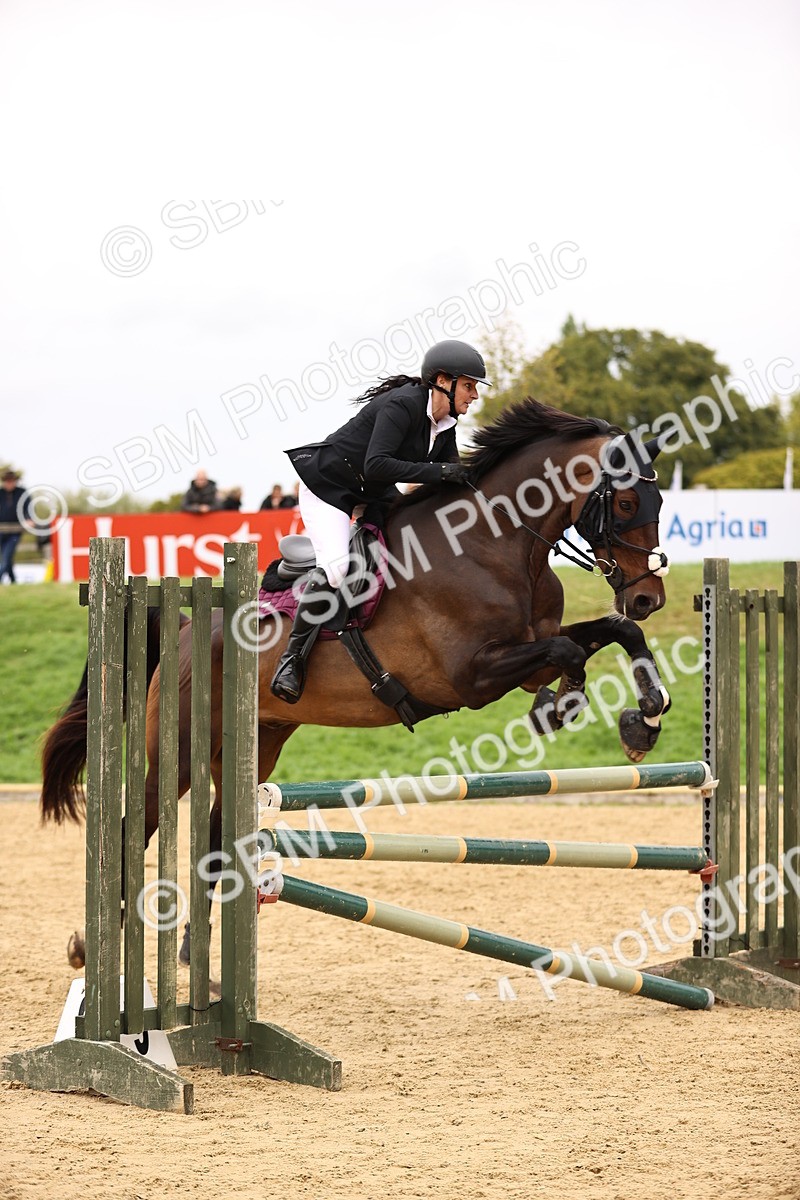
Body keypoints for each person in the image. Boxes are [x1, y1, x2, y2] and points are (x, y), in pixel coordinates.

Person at [270, 338, 490, 703]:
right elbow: (378, 463)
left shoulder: (445, 422)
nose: (475, 395)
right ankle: (291, 660)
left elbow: (449, 479)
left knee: (414, 540)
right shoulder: (402, 404)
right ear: (442, 381)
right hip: (328, 489)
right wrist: (446, 471)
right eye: (469, 386)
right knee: (339, 569)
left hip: (372, 492)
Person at [0, 469, 30, 584]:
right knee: (7, 558)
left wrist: (29, 519)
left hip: (15, 531)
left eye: (11, 481)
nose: (9, 483)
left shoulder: (22, 493)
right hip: (1, 531)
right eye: (7, 481)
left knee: (6, 557)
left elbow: (28, 508)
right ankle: (13, 581)